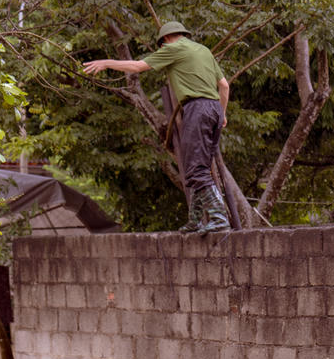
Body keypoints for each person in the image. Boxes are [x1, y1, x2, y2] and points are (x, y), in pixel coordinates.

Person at [84, 20, 231, 233]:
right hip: (214, 109)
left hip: (197, 110)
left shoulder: (173, 48)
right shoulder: (204, 50)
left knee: (196, 169)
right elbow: (224, 86)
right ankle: (196, 220)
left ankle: (219, 218)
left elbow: (137, 67)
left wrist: (107, 62)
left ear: (165, 40)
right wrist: (222, 113)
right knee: (197, 168)